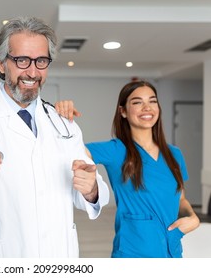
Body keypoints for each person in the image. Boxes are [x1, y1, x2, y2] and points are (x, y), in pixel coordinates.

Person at [0, 16, 109, 258]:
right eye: (22, 60)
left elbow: (93, 190)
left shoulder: (64, 124)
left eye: (41, 61)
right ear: (2, 64)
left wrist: (92, 189)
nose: (33, 71)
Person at [55, 80, 200, 258]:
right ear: (123, 111)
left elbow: (181, 199)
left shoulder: (174, 154)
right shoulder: (116, 150)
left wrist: (193, 218)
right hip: (133, 253)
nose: (147, 107)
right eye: (138, 102)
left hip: (172, 251)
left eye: (152, 101)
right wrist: (61, 119)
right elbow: (70, 151)